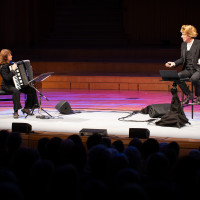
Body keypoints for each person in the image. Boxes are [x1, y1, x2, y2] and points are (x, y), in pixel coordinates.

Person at [165, 25, 200, 104]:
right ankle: (189, 94)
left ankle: (199, 96)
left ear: (189, 35)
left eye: (183, 34)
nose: (181, 36)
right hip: (188, 69)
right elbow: (182, 59)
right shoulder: (183, 44)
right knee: (177, 76)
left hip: (198, 69)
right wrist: (173, 63)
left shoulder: (198, 43)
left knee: (194, 78)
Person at [0, 49, 39, 118]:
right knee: (16, 91)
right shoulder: (3, 67)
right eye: (10, 55)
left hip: (15, 84)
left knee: (31, 90)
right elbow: (7, 78)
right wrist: (13, 70)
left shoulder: (12, 64)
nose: (11, 56)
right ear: (6, 57)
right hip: (7, 86)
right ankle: (16, 111)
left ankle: (27, 108)